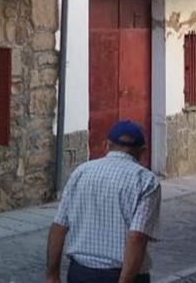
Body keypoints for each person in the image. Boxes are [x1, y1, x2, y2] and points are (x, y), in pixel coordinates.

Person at [45, 120, 161, 283]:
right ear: (142, 151)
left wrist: (52, 274)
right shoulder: (146, 181)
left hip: (80, 273)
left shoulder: (81, 172)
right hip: (120, 275)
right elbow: (137, 238)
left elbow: (59, 226)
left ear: (107, 145)